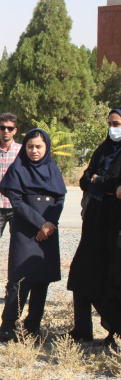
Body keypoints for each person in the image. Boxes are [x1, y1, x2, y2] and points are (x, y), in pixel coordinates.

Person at [0, 129, 66, 343]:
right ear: (24, 147)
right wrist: (41, 223)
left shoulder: (52, 169)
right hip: (26, 231)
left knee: (41, 281)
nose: (34, 151)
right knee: (20, 280)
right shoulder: (18, 169)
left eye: (39, 147)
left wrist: (50, 224)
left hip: (48, 231)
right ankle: (8, 326)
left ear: (46, 148)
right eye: (30, 146)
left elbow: (59, 199)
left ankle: (32, 327)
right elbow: (17, 202)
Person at [68, 108, 121, 345]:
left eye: (117, 123)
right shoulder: (103, 149)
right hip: (94, 222)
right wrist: (103, 183)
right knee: (81, 273)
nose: (113, 128)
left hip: (115, 225)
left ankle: (114, 331)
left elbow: (110, 183)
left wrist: (100, 181)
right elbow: (85, 178)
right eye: (111, 123)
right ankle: (82, 330)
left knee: (113, 277)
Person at [0, 112, 21, 274]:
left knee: (18, 250)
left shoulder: (22, 151)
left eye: (9, 128)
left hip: (17, 208)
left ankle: (15, 288)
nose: (5, 131)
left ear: (15, 130)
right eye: (2, 127)